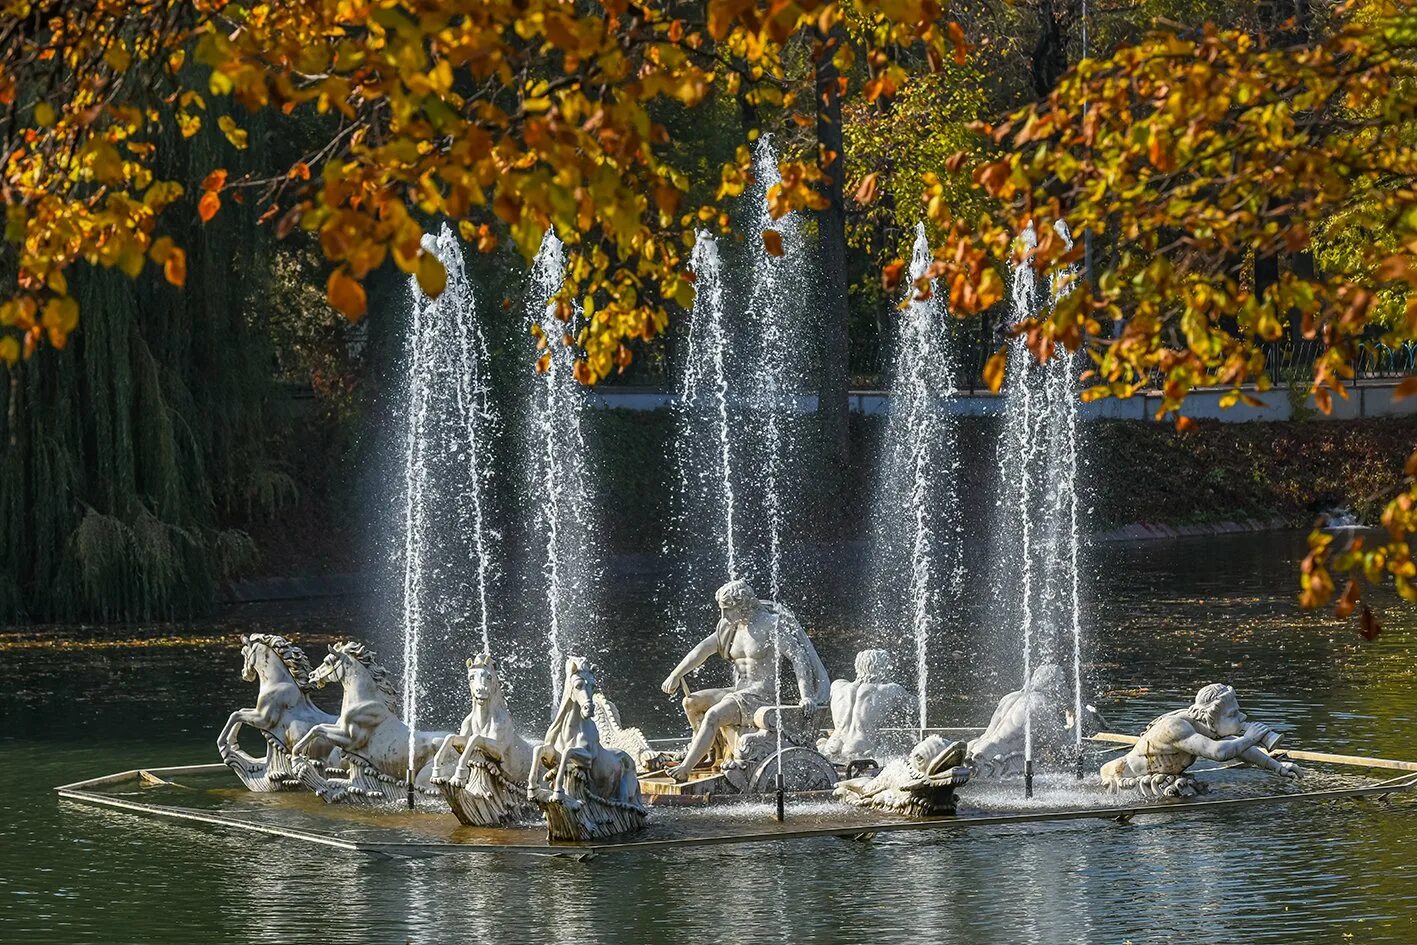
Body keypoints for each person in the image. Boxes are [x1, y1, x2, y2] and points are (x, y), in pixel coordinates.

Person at [660, 579, 830, 782]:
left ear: (744, 605)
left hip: (761, 695)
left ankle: (685, 768)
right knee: (691, 702)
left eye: (728, 610)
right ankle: (708, 752)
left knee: (714, 715)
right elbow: (702, 650)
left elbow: (798, 657)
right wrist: (676, 674)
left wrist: (806, 696)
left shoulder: (769, 625)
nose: (723, 616)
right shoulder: (730, 627)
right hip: (740, 691)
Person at [1101, 683, 1299, 795]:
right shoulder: (1176, 727)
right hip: (1126, 778)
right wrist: (1249, 738)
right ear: (1210, 717)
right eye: (1233, 714)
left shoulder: (1204, 726)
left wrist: (1277, 767)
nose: (1242, 717)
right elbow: (1219, 752)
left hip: (1166, 778)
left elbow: (1237, 747)